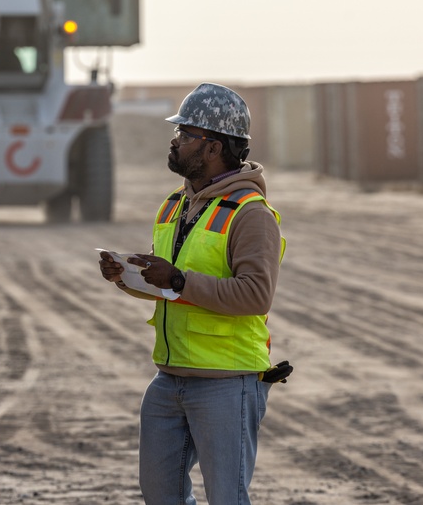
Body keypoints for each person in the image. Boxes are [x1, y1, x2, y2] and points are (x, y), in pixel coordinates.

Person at [98, 82, 286, 505]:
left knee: (227, 498)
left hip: (227, 383)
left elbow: (255, 295)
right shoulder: (174, 205)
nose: (175, 141)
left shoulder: (251, 215)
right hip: (170, 378)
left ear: (213, 147)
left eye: (185, 135)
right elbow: (170, 287)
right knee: (160, 495)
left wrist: (178, 279)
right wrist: (127, 276)